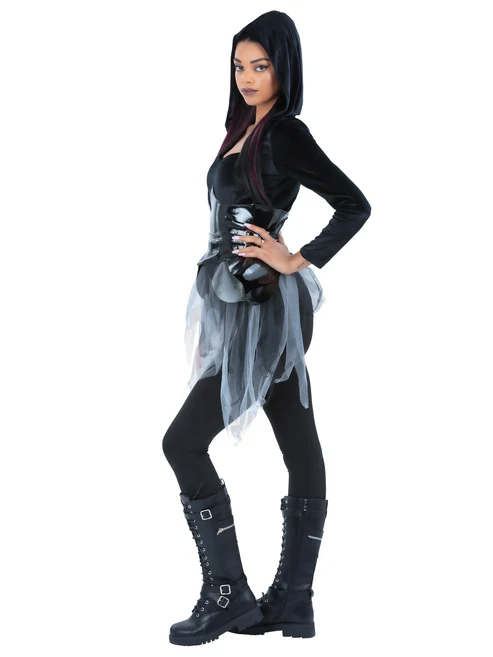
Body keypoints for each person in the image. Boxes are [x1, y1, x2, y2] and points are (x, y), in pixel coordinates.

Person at [163, 10, 371, 646]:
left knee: (182, 442)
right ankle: (292, 601)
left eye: (261, 66)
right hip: (241, 307)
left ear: (284, 69)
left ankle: (228, 595)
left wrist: (294, 257)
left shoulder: (284, 132)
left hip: (268, 309)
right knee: (298, 440)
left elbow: (354, 205)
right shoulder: (242, 129)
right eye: (239, 66)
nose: (248, 77)